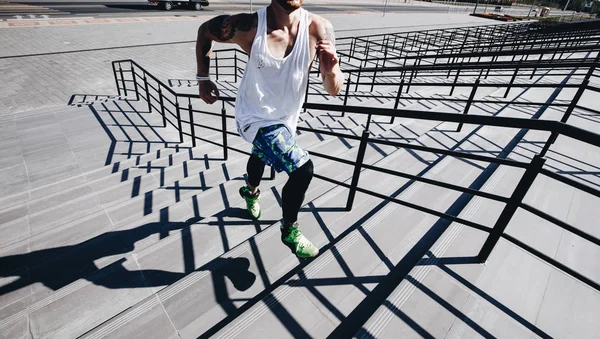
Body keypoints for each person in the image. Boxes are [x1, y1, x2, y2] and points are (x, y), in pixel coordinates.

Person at [195, 0, 344, 258]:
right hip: (253, 116)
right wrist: (203, 78)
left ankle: (250, 191)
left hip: (285, 120)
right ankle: (290, 229)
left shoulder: (320, 29)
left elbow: (334, 89)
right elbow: (204, 32)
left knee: (261, 155)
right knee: (302, 169)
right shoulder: (249, 26)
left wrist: (331, 71)